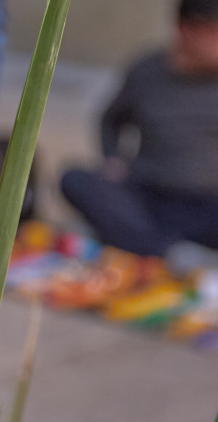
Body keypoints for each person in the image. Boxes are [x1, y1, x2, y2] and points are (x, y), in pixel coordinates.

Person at [61, 0, 218, 263]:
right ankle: (169, 252)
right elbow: (110, 119)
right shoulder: (147, 71)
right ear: (185, 30)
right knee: (75, 180)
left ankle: (142, 244)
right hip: (148, 195)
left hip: (208, 205)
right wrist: (113, 158)